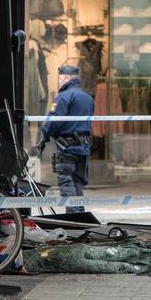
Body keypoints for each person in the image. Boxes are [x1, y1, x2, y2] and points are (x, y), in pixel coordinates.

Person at [36, 64, 94, 212]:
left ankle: (73, 217)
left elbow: (55, 120)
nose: (59, 81)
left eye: (61, 78)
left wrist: (45, 134)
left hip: (67, 147)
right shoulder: (88, 98)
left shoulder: (64, 96)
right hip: (84, 147)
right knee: (78, 182)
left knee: (66, 182)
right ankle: (80, 216)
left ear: (67, 78)